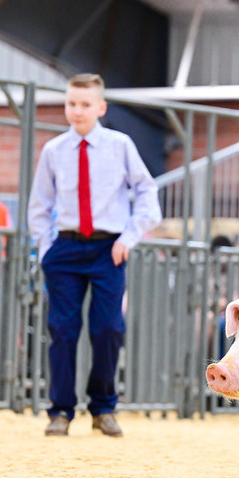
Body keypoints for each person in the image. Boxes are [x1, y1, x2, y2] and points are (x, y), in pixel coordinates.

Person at [27, 73, 162, 437]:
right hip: (66, 249)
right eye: (71, 103)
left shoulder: (120, 146)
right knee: (62, 330)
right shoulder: (54, 151)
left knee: (108, 329)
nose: (77, 111)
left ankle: (103, 408)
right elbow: (40, 204)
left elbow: (147, 191)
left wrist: (129, 238)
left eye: (85, 104)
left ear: (100, 107)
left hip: (109, 249)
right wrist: (46, 249)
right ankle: (60, 412)